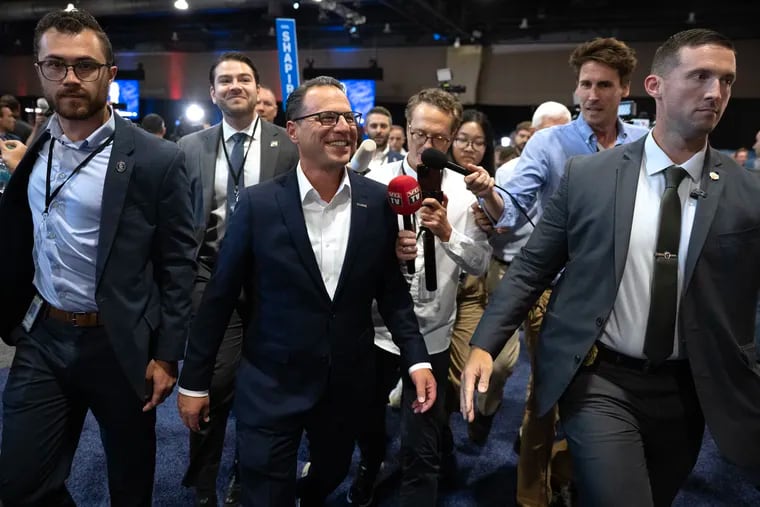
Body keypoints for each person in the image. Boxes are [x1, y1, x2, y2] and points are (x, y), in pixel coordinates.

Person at [462, 28, 760, 506]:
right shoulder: (590, 174)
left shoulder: (748, 194)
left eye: (726, 80)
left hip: (689, 388)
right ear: (655, 86)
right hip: (601, 375)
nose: (715, 92)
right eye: (700, 76)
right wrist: (485, 344)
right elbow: (533, 266)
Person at [177, 76, 436, 507]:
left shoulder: (377, 203)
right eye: (326, 117)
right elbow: (219, 298)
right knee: (264, 492)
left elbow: (391, 295)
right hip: (270, 383)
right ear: (293, 130)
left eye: (348, 117)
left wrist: (417, 359)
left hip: (343, 384)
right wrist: (195, 382)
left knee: (330, 473)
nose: (343, 127)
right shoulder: (258, 205)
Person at [0, 8, 197, 505]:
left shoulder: (157, 159)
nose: (70, 78)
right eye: (55, 65)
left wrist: (168, 354)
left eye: (85, 65)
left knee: (130, 484)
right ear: (40, 69)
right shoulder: (38, 141)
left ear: (109, 74)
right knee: (19, 483)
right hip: (43, 334)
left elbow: (179, 266)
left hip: (121, 344)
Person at [348, 89, 491, 507]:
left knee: (420, 446)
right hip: (376, 329)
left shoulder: (466, 194)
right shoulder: (373, 183)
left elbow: (481, 264)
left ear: (451, 139)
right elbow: (348, 259)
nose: (427, 145)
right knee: (367, 420)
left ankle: (432, 459)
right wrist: (384, 254)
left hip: (432, 333)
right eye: (419, 134)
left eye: (439, 138)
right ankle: (369, 464)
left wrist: (448, 232)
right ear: (404, 131)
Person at [177, 52, 299, 506]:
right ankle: (204, 484)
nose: (234, 85)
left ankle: (243, 476)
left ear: (257, 89)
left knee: (263, 387)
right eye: (224, 80)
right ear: (212, 93)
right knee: (214, 379)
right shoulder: (189, 147)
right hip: (210, 276)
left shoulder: (287, 145)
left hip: (271, 283)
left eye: (243, 78)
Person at [446, 108, 518, 446]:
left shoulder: (498, 182)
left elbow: (510, 226)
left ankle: (485, 412)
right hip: (436, 286)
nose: (470, 147)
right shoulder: (430, 177)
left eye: (478, 142)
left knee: (498, 364)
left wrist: (493, 214)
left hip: (481, 285)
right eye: (463, 139)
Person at [365, 106, 404, 172]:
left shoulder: (401, 161)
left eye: (383, 126)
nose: (378, 131)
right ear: (365, 130)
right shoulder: (353, 159)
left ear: (390, 130)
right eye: (374, 126)